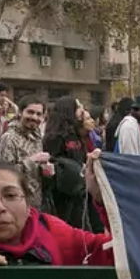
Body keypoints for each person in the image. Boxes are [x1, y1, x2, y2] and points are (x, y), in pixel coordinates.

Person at [43, 96, 95, 230]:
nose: (82, 111)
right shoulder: (55, 136)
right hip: (64, 193)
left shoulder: (75, 134)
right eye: (78, 107)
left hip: (78, 191)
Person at [0, 96, 51, 204]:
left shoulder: (37, 138)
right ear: (20, 112)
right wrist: (32, 161)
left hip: (35, 202)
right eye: (30, 112)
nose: (34, 117)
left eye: (39, 114)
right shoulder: (9, 138)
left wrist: (45, 169)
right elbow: (3, 173)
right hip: (14, 201)